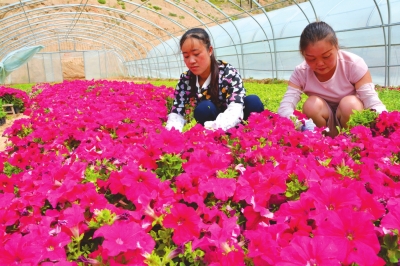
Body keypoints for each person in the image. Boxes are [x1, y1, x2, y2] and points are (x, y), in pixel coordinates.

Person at [278, 21, 387, 137]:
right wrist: (299, 125)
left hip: (349, 120)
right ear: (303, 54)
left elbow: (372, 101)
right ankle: (322, 142)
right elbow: (285, 108)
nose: (320, 63)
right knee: (311, 105)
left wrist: (387, 122)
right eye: (311, 59)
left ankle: (351, 143)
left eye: (326, 56)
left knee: (349, 104)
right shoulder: (301, 72)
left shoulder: (353, 64)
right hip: (323, 124)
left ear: (336, 45)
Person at [165, 28, 264, 132]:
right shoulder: (185, 80)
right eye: (186, 56)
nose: (191, 61)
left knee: (253, 102)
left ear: (210, 50)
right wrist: (172, 133)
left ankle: (250, 134)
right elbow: (177, 111)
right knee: (204, 108)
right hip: (210, 118)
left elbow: (235, 107)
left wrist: (215, 127)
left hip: (235, 118)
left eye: (196, 54)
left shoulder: (228, 73)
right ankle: (217, 139)